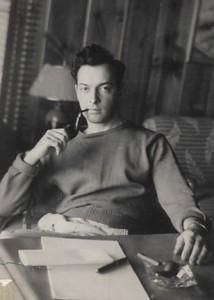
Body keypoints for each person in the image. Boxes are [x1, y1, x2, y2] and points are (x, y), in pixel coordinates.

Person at [0, 44, 211, 265]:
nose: (93, 99)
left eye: (105, 88)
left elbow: (179, 200)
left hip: (121, 244)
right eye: (85, 88)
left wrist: (193, 228)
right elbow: (5, 206)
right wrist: (33, 155)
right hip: (63, 238)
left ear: (119, 90)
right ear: (77, 91)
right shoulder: (58, 144)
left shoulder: (150, 143)